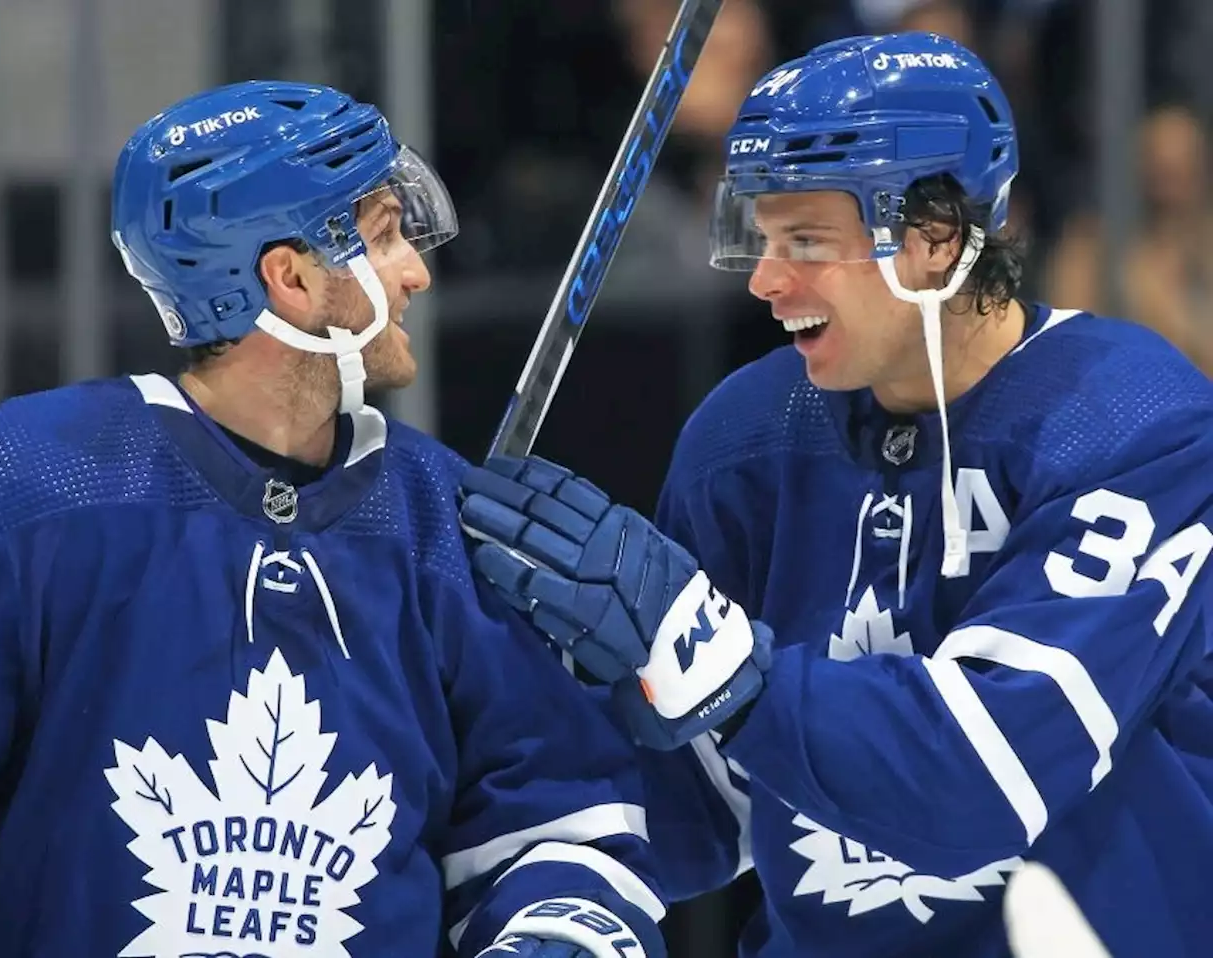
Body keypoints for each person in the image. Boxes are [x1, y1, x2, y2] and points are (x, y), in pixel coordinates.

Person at [460, 32, 1213, 958]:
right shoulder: (745, 437)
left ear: (937, 236)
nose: (771, 283)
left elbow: (991, 773)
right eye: (762, 239)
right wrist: (568, 894)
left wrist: (706, 658)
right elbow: (695, 792)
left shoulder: (1130, 420)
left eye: (808, 241)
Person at [0, 80, 667, 958]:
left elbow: (559, 825)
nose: (418, 272)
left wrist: (556, 938)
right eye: (387, 234)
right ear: (287, 279)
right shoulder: (21, 486)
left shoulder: (446, 522)